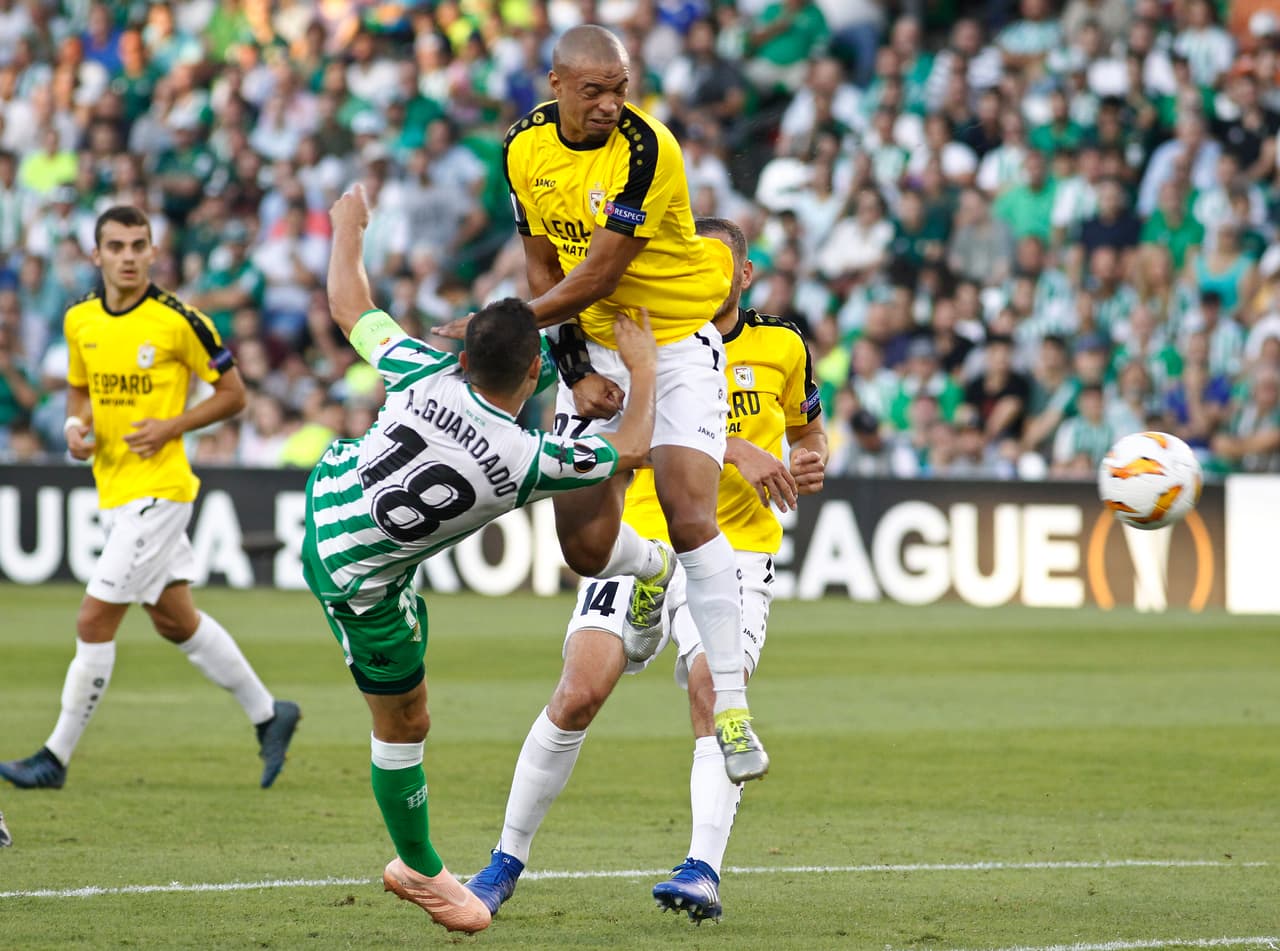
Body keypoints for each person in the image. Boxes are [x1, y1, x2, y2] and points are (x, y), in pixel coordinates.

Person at [303, 184, 660, 935]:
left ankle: (420, 861)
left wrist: (346, 227)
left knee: (409, 701)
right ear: (534, 378)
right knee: (405, 722)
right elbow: (629, 449)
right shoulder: (524, 457)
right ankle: (421, 869)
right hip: (356, 577)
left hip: (332, 500)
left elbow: (346, 303)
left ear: (461, 354)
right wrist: (644, 367)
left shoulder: (419, 370)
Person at [465, 217, 828, 924]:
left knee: (710, 694)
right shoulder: (637, 334)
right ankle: (503, 861)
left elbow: (808, 429)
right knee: (578, 691)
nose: (704, 276)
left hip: (735, 549)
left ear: (743, 275)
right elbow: (646, 434)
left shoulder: (782, 343)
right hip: (639, 536)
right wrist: (731, 447)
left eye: (719, 265)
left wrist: (812, 457)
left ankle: (702, 869)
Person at [438, 25, 768, 783]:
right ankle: (646, 572)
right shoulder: (523, 147)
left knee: (691, 511)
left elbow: (596, 275)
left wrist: (506, 324)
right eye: (595, 91)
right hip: (586, 341)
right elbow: (543, 263)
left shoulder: (650, 151)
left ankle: (733, 706)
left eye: (622, 88)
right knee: (584, 549)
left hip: (674, 338)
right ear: (556, 83)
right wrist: (574, 367)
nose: (613, 104)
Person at [0, 206, 299, 792]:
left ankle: (54, 759)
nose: (129, 256)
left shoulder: (178, 321)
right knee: (173, 619)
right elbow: (80, 393)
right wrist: (73, 431)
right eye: (116, 246)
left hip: (161, 492)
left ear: (154, 252)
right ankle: (271, 714)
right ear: (97, 255)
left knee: (93, 619)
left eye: (139, 245)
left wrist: (173, 426)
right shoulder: (79, 319)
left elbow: (234, 394)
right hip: (114, 490)